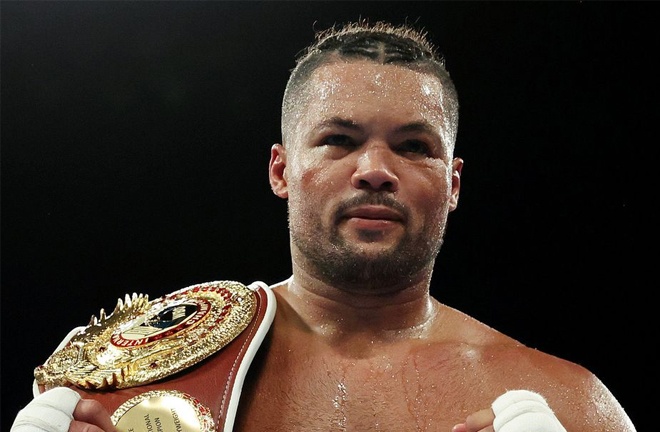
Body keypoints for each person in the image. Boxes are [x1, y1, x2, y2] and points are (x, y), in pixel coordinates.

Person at [11, 20, 636, 432]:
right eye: (338, 140)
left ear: (453, 184)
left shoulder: (566, 403)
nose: (375, 171)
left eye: (415, 147)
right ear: (281, 170)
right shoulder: (147, 365)